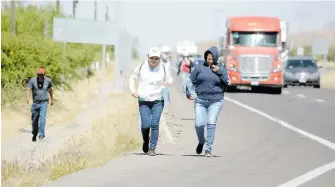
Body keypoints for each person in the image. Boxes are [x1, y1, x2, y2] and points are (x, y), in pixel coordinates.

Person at [185, 46, 230, 157]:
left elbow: (228, 81)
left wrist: (219, 71)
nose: (210, 61)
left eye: (212, 59)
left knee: (211, 123)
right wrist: (188, 92)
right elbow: (190, 81)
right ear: (205, 57)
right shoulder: (199, 67)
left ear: (215, 58)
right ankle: (201, 141)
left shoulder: (221, 68)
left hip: (216, 100)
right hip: (200, 100)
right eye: (208, 58)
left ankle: (208, 149)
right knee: (199, 124)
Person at [129, 47, 173, 156]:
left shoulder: (162, 67)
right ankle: (146, 141)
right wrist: (133, 90)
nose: (154, 60)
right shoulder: (141, 66)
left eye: (156, 58)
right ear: (148, 57)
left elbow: (170, 79)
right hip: (143, 99)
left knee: (154, 124)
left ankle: (152, 148)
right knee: (145, 125)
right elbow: (132, 77)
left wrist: (166, 83)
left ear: (159, 58)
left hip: (158, 100)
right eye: (152, 58)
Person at [26, 67, 54, 142]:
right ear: (37, 75)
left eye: (42, 75)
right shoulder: (32, 80)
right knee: (34, 120)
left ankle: (41, 135)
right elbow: (28, 89)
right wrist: (28, 98)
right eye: (39, 75)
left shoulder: (48, 80)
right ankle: (35, 133)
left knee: (42, 118)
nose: (41, 77)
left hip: (44, 103)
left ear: (44, 75)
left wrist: (52, 99)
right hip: (35, 103)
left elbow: (50, 90)